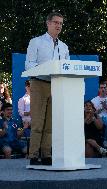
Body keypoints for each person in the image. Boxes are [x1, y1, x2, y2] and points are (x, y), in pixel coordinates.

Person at [25, 12, 69, 165]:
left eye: (61, 23)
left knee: (51, 123)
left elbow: (67, 67)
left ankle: (46, 154)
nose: (59, 26)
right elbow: (28, 64)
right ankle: (33, 155)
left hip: (56, 85)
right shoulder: (36, 42)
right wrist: (46, 68)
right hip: (39, 83)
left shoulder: (64, 47)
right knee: (38, 121)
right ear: (48, 23)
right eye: (56, 22)